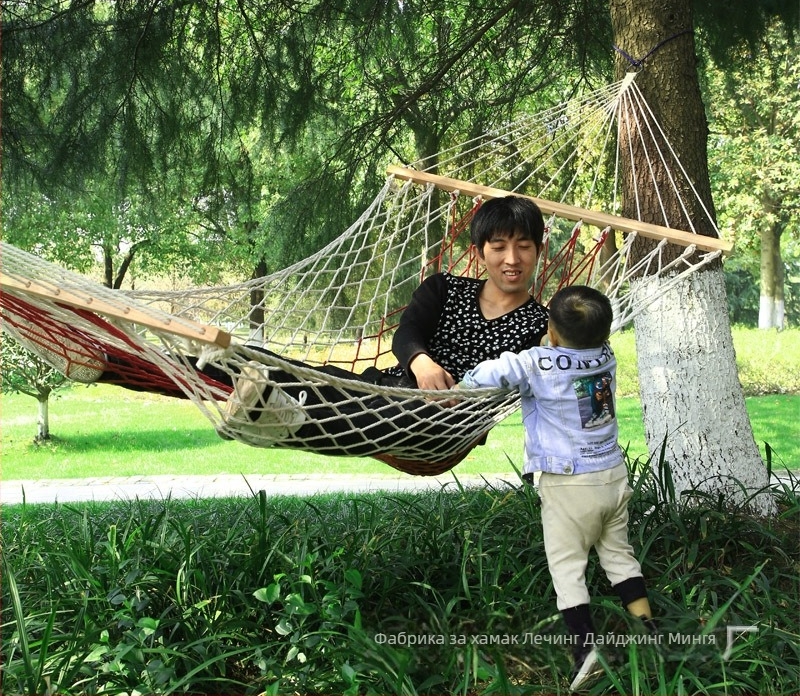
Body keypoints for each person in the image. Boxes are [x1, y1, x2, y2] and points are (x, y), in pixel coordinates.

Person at [19, 196, 550, 461]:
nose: (511, 258)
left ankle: (281, 417)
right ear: (480, 251)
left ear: (536, 251)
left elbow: (538, 383)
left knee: (326, 402)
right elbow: (406, 333)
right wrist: (421, 361)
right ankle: (111, 360)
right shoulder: (444, 288)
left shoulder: (543, 324)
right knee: (268, 365)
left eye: (522, 246)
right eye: (498, 246)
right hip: (391, 388)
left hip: (445, 429)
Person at [459, 285, 653, 691]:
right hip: (612, 476)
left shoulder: (536, 363)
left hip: (569, 485)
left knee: (567, 568)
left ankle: (585, 650)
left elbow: (492, 375)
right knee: (619, 555)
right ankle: (649, 632)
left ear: (551, 330)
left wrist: (466, 378)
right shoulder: (606, 355)